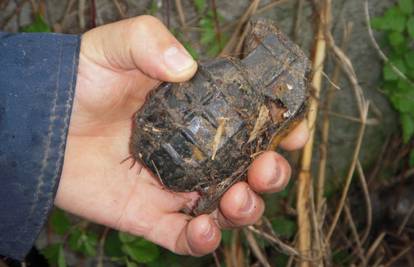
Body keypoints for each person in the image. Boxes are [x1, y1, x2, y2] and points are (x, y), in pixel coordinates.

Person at [0, 15, 309, 260]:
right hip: (174, 165)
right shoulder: (228, 73)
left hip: (161, 150)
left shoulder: (227, 73)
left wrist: (46, 121)